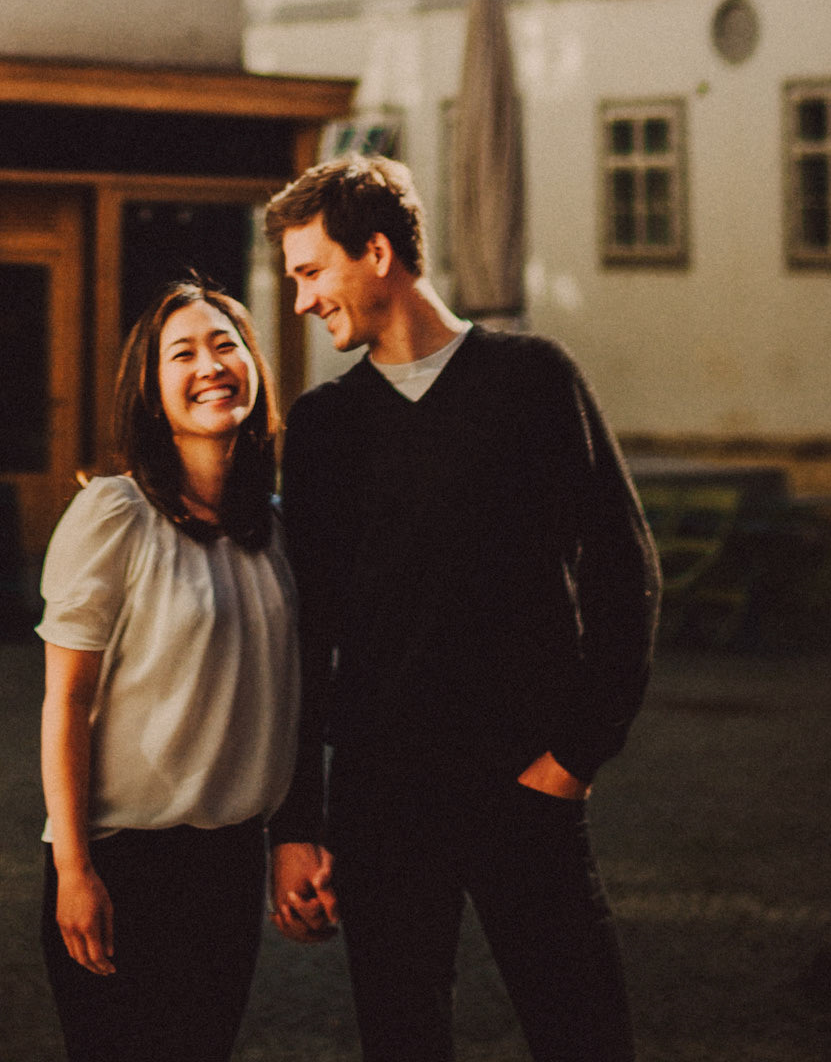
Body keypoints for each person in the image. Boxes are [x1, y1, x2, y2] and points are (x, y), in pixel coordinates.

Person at [264, 155, 660, 1062]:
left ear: (376, 252)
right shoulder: (324, 427)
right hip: (381, 802)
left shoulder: (533, 380)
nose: (302, 301)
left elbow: (625, 569)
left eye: (311, 272)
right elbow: (305, 636)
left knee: (587, 1037)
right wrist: (296, 828)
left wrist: (576, 755)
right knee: (402, 1042)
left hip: (526, 785)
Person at [37, 280, 298, 1062]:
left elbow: (292, 700)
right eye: (182, 353)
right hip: (123, 860)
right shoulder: (115, 515)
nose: (210, 366)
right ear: (151, 394)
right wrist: (74, 869)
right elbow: (65, 704)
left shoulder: (276, 530)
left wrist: (299, 836)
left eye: (226, 345)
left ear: (254, 367)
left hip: (229, 864)